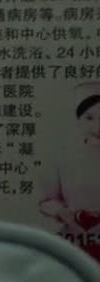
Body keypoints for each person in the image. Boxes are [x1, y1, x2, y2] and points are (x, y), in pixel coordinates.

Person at [40, 81, 100, 259]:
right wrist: (62, 213)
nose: (97, 128)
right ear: (78, 119)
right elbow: (46, 200)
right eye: (89, 118)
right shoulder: (64, 156)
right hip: (76, 239)